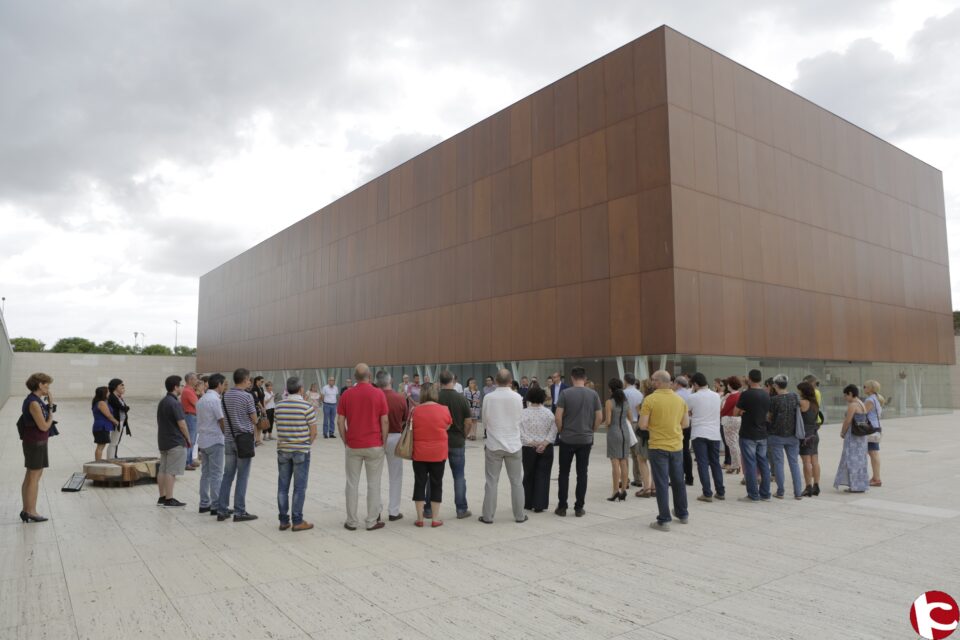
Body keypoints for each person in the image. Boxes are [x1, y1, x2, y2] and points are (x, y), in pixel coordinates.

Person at [337, 363, 389, 531]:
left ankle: (352, 521)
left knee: (352, 483)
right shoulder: (378, 393)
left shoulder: (347, 394)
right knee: (374, 484)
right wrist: (383, 440)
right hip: (374, 444)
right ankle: (371, 521)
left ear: (354, 377)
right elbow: (385, 420)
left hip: (354, 444)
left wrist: (346, 440)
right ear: (370, 376)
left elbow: (340, 420)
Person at [641, 370, 690, 531]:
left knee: (661, 483)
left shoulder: (650, 400)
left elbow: (642, 425)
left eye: (653, 380)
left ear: (658, 382)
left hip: (657, 445)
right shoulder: (680, 400)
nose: (651, 382)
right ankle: (683, 514)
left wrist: (656, 427)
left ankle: (664, 520)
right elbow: (685, 424)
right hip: (676, 445)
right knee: (678, 481)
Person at [479, 368, 526, 524]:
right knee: (517, 482)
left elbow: (484, 421)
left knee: (492, 482)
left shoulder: (488, 398)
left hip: (494, 444)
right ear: (511, 382)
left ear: (496, 381)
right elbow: (520, 419)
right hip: (513, 443)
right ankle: (519, 515)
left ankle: (488, 516)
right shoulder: (518, 397)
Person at [554, 367, 602, 517]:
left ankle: (562, 507)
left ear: (572, 378)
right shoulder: (593, 394)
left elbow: (558, 416)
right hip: (585, 439)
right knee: (582, 473)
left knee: (564, 473)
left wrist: (561, 430)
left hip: (567, 438)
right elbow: (599, 417)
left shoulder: (565, 393)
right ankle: (579, 507)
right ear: (585, 379)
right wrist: (592, 430)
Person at [427, 370, 473, 519]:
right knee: (459, 476)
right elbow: (468, 422)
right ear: (453, 381)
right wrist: (463, 436)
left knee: (433, 476)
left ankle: (428, 509)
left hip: (438, 441)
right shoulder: (461, 399)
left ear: (440, 382)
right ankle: (461, 509)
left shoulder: (435, 398)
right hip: (457, 442)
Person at [275, 376, 318, 531]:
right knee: (299, 487)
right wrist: (306, 443)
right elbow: (314, 432)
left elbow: (279, 426)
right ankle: (297, 520)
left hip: (283, 450)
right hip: (301, 450)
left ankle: (283, 520)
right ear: (301, 389)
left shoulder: (279, 406)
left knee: (282, 487)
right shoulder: (306, 407)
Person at [218, 368, 259, 522]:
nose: (250, 382)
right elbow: (254, 419)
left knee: (227, 475)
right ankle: (240, 511)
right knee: (242, 476)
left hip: (229, 439)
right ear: (244, 379)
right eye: (249, 380)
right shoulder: (247, 397)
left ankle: (222, 509)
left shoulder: (225, 395)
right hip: (244, 440)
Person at [409, 383, 451, 527]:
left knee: (419, 483)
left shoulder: (415, 411)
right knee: (436, 484)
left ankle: (420, 519)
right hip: (438, 453)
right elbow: (448, 426)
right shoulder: (444, 410)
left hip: (419, 453)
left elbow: (411, 428)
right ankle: (435, 519)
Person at [19, 373, 55, 522]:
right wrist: (51, 413)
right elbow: (44, 426)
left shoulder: (36, 400)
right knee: (34, 477)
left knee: (31, 476)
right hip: (35, 443)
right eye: (47, 384)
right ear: (40, 385)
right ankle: (31, 511)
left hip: (36, 442)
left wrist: (50, 404)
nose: (48, 387)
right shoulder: (33, 402)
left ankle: (26, 510)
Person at [687, 372, 725, 502]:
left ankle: (707, 493)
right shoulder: (716, 396)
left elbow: (687, 412)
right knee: (715, 463)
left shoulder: (693, 397)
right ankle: (720, 491)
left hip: (699, 432)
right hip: (714, 433)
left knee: (702, 463)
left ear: (696, 384)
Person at [736, 369, 772, 502]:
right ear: (761, 379)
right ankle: (765, 494)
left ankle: (753, 494)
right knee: (763, 463)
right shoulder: (766, 394)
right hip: (762, 433)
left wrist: (742, 412)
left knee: (750, 464)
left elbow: (735, 412)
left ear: (750, 379)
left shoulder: (746, 394)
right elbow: (768, 414)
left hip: (748, 433)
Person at [377, 370, 408, 521]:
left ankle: (375, 510)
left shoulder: (374, 397)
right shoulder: (400, 398)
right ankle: (394, 511)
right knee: (395, 476)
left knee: (374, 476)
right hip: (395, 437)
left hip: (376, 437)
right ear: (391, 381)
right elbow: (405, 419)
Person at [519, 386, 556, 512]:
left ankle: (527, 502)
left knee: (528, 475)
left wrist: (533, 443)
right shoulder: (549, 413)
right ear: (543, 398)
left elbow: (520, 432)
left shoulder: (523, 413)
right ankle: (539, 504)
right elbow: (553, 430)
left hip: (528, 448)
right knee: (543, 476)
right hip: (546, 448)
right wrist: (544, 443)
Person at [156, 375, 191, 507]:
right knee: (171, 471)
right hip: (175, 441)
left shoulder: (163, 401)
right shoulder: (175, 403)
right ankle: (169, 498)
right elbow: (182, 424)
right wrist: (188, 438)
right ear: (175, 387)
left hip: (163, 440)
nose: (182, 387)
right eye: (181, 385)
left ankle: (162, 497)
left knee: (163, 470)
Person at [767, 374, 804, 500]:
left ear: (775, 385)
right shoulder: (795, 396)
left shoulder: (774, 400)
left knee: (778, 463)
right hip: (793, 436)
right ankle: (798, 492)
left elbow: (770, 417)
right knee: (794, 463)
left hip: (776, 435)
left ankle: (781, 491)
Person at [196, 373, 226, 515]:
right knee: (216, 474)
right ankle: (216, 505)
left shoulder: (202, 399)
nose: (224, 387)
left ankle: (204, 503)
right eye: (224, 384)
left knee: (206, 474)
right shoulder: (215, 400)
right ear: (219, 384)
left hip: (203, 440)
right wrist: (227, 435)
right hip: (215, 440)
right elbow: (221, 420)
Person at [600, 378, 632, 502]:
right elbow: (630, 417)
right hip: (625, 432)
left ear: (610, 389)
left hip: (614, 432)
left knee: (615, 463)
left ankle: (615, 491)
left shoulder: (609, 402)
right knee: (624, 461)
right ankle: (624, 490)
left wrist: (602, 425)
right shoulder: (625, 401)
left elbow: (608, 421)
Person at [835, 384, 870, 493]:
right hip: (861, 437)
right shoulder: (861, 403)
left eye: (846, 395)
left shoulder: (853, 405)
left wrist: (842, 432)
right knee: (860, 460)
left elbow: (848, 420)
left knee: (851, 460)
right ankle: (860, 485)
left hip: (853, 436)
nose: (845, 398)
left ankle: (855, 486)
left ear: (850, 393)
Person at [797, 381, 821, 497]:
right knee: (815, 461)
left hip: (805, 435)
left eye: (799, 390)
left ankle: (808, 487)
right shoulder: (815, 403)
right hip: (815, 434)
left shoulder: (802, 402)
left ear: (803, 391)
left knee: (806, 462)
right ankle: (816, 485)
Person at [634, 379, 657, 498]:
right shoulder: (658, 399)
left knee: (641, 459)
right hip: (656, 434)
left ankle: (647, 488)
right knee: (653, 461)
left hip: (644, 435)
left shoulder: (645, 401)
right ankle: (653, 487)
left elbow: (642, 422)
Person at [623, 373, 646, 489]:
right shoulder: (639, 393)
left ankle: (625, 479)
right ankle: (638, 479)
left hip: (626, 423)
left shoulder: (623, 393)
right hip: (637, 423)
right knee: (636, 453)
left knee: (624, 453)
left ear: (625, 381)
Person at [673, 376, 694, 486]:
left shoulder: (676, 395)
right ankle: (689, 477)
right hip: (689, 424)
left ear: (677, 384)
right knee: (686, 451)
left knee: (678, 452)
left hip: (678, 425)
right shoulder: (691, 394)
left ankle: (678, 478)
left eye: (674, 383)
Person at [863, 380, 884, 487]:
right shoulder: (876, 398)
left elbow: (862, 412)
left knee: (872, 453)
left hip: (870, 429)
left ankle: (876, 478)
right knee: (874, 453)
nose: (863, 388)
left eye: (865, 386)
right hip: (875, 427)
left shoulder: (870, 400)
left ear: (871, 389)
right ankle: (876, 477)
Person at [720, 376, 742, 475]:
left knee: (731, 443)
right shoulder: (739, 395)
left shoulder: (731, 396)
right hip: (737, 420)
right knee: (735, 442)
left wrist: (723, 400)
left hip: (729, 419)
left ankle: (735, 465)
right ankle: (736, 464)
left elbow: (723, 410)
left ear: (731, 385)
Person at [91, 386, 119, 461]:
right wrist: (116, 422)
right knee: (100, 446)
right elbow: (108, 415)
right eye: (108, 392)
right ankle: (98, 462)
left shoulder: (99, 402)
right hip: (102, 427)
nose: (109, 393)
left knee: (101, 446)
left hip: (100, 426)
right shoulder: (101, 403)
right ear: (104, 393)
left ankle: (98, 461)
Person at [106, 378, 130, 459]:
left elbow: (124, 407)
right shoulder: (112, 397)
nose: (123, 386)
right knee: (114, 442)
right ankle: (111, 459)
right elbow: (123, 408)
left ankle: (113, 457)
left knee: (116, 442)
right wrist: (126, 407)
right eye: (121, 385)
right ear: (115, 387)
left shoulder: (118, 397)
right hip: (116, 421)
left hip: (121, 421)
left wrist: (125, 407)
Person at [181, 372, 200, 470]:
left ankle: (190, 460)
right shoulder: (188, 391)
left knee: (192, 440)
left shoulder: (190, 390)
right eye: (195, 379)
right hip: (191, 417)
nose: (197, 381)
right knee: (190, 440)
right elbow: (197, 404)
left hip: (192, 416)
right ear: (190, 380)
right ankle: (186, 462)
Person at [250, 375, 267, 445]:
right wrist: (261, 408)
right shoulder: (254, 388)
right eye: (261, 381)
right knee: (256, 424)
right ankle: (255, 440)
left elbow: (262, 399)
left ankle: (258, 439)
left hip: (262, 407)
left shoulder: (261, 388)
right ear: (257, 381)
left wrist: (264, 407)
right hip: (257, 408)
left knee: (260, 424)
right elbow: (256, 400)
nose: (262, 383)